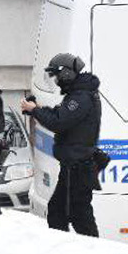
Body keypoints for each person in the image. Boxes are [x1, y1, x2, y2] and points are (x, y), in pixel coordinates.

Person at [21, 53, 102, 237]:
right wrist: (37, 110)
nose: (56, 80)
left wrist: (35, 111)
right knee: (59, 212)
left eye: (57, 75)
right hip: (73, 166)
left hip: (78, 167)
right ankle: (64, 252)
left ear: (66, 74)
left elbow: (59, 121)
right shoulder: (78, 94)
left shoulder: (80, 97)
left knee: (79, 215)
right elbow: (60, 113)